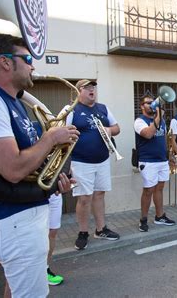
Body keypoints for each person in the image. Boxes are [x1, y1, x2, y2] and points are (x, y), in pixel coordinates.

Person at [0, 34, 77, 297]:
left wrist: (55, 178)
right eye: (28, 59)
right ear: (5, 63)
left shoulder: (14, 102)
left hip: (22, 219)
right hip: (15, 222)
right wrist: (51, 137)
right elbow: (12, 168)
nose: (33, 65)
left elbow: (29, 162)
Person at [67, 79, 121, 250]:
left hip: (102, 159)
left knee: (99, 195)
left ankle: (101, 229)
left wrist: (109, 130)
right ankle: (83, 232)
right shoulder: (71, 110)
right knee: (84, 198)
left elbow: (117, 128)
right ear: (78, 91)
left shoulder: (102, 108)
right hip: (81, 161)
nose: (92, 90)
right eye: (87, 88)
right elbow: (62, 134)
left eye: (93, 87)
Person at [134, 94, 176, 232]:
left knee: (159, 188)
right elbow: (148, 134)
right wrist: (158, 117)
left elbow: (163, 138)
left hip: (161, 160)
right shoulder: (139, 121)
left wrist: (169, 155)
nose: (151, 105)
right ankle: (143, 219)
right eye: (148, 103)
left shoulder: (161, 121)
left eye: (153, 102)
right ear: (142, 106)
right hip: (148, 161)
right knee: (148, 190)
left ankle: (160, 216)